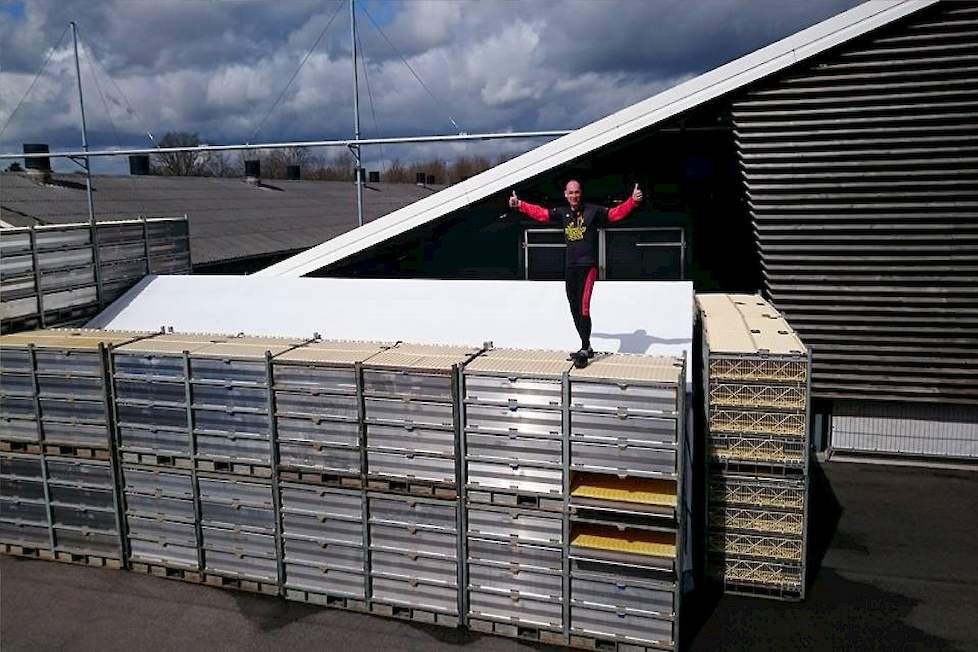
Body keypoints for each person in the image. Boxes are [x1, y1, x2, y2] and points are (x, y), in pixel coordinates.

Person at [509, 180, 643, 367]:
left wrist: (633, 201)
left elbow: (614, 214)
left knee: (584, 307)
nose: (574, 196)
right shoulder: (562, 213)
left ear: (581, 193)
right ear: (565, 194)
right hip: (570, 268)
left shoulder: (593, 211)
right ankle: (586, 346)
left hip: (588, 267)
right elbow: (541, 214)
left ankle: (584, 347)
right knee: (573, 307)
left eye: (577, 192)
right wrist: (520, 205)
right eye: (570, 193)